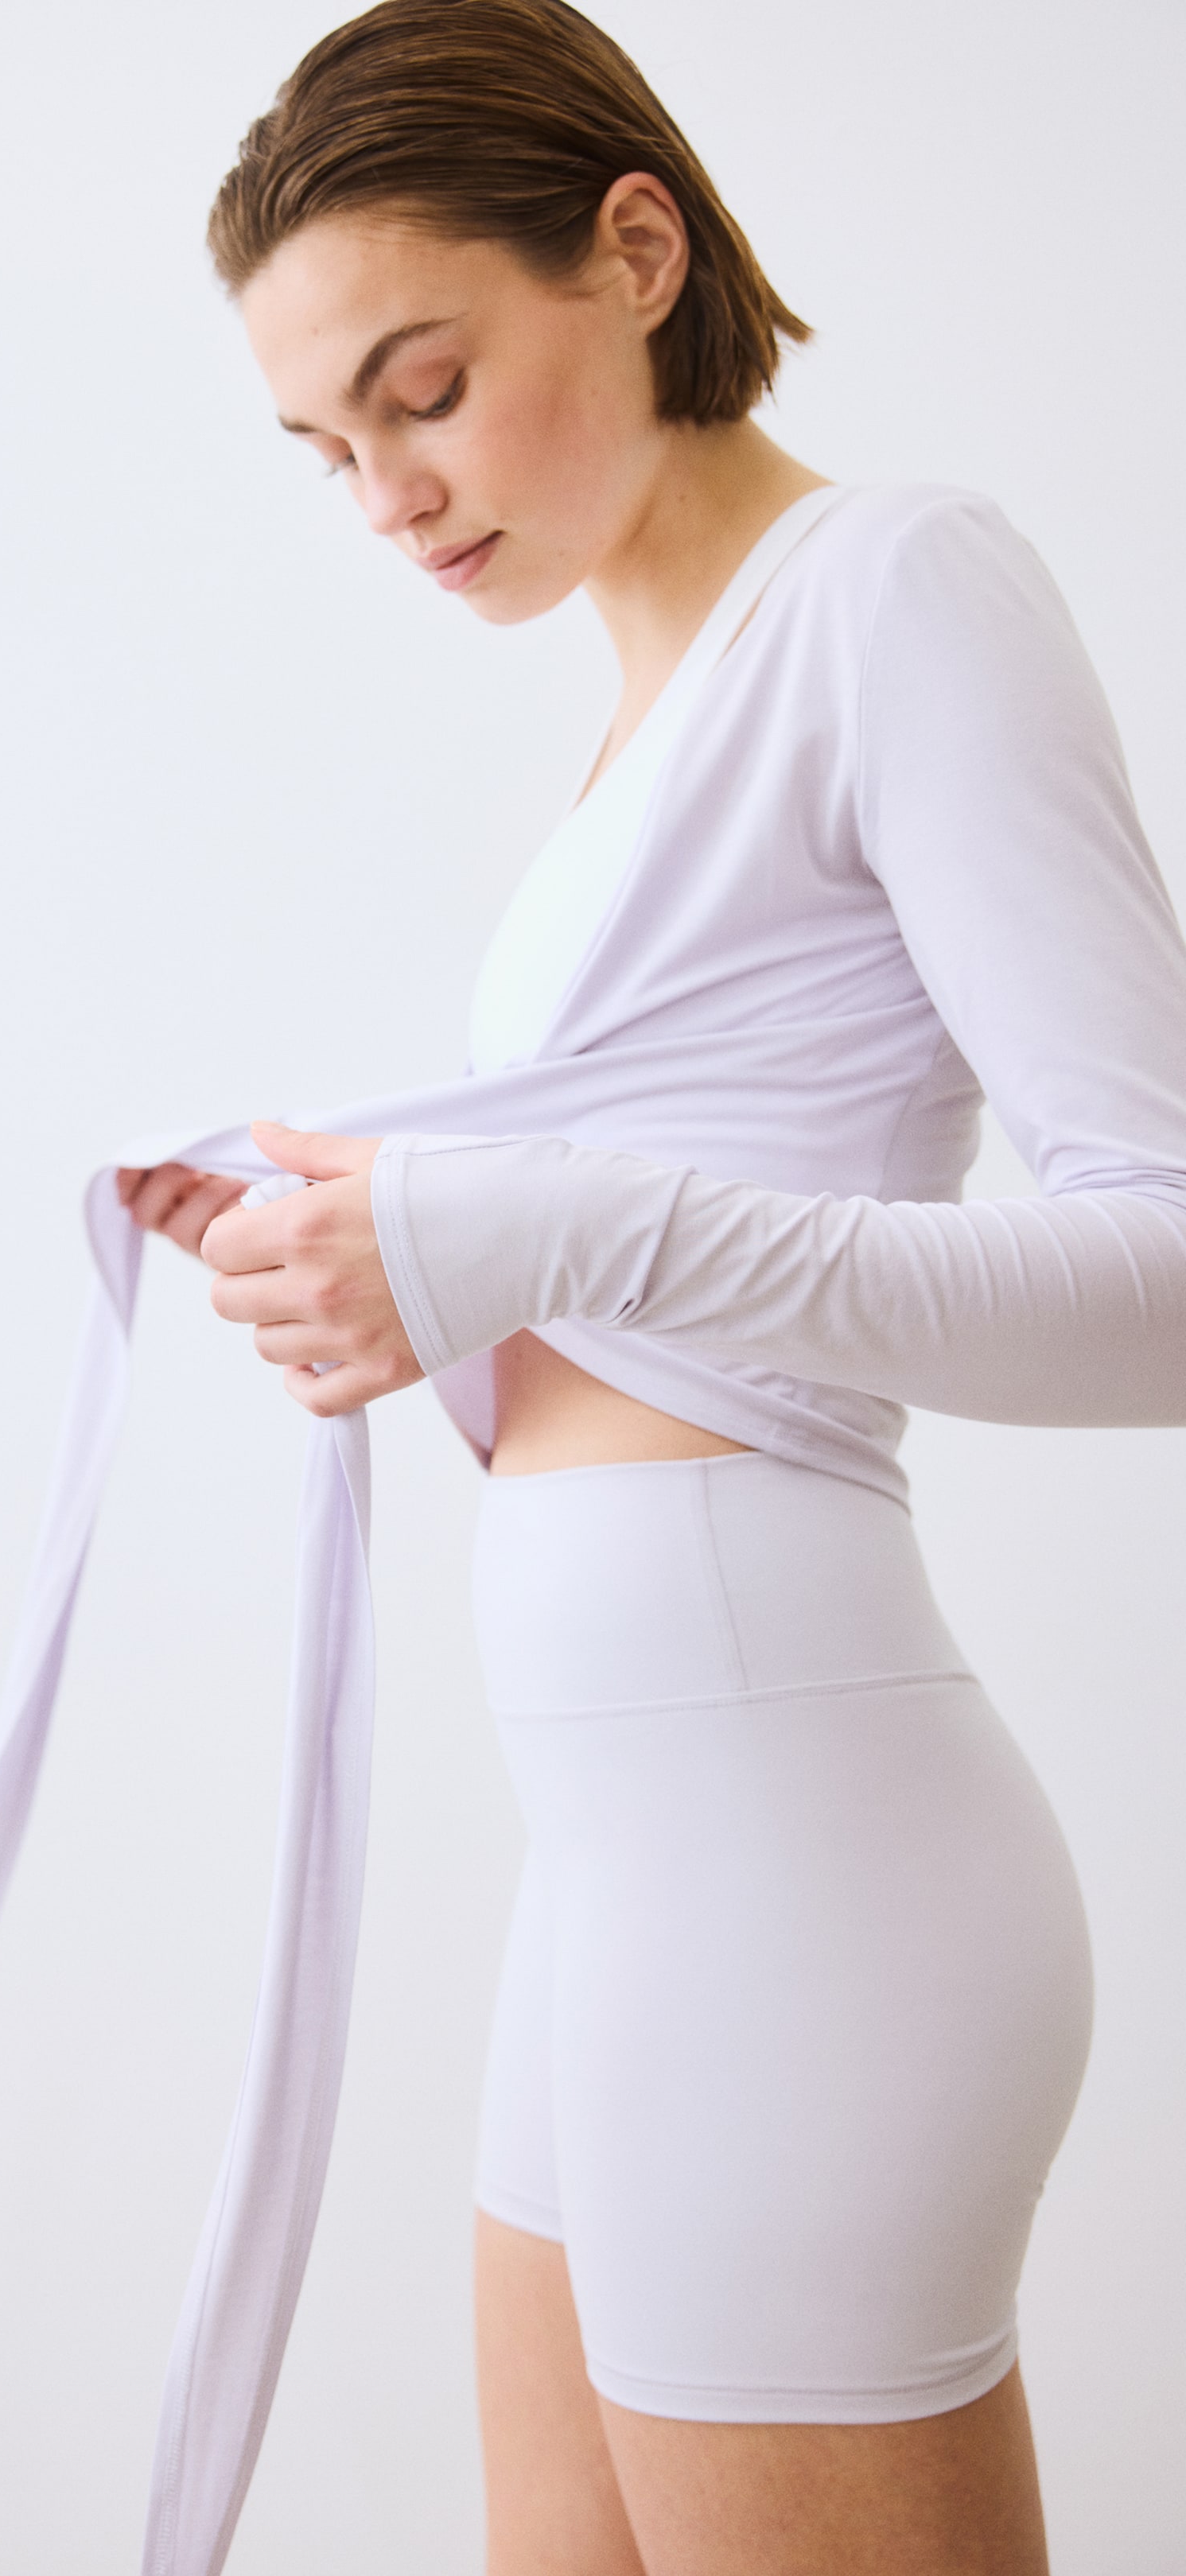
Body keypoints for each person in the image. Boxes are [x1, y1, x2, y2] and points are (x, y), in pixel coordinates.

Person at [115, 2, 1186, 2568]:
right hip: (638, 1851)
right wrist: (390, 1242)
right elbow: (668, 1241)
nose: (387, 492)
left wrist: (553, 1228)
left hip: (797, 1852)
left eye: (424, 389)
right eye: (327, 447)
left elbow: (1164, 1276)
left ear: (636, 248)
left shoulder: (895, 589)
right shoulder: (651, 705)